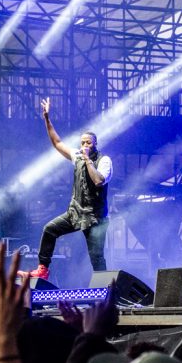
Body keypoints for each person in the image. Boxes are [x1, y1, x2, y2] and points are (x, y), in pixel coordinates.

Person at [25, 97, 112, 280]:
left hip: (95, 218)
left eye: (88, 143)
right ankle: (43, 270)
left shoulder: (104, 161)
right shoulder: (77, 156)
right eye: (82, 143)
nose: (85, 146)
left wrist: (87, 160)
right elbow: (57, 143)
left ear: (96, 144)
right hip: (75, 212)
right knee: (49, 229)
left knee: (96, 257)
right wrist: (47, 118)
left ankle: (106, 287)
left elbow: (98, 181)